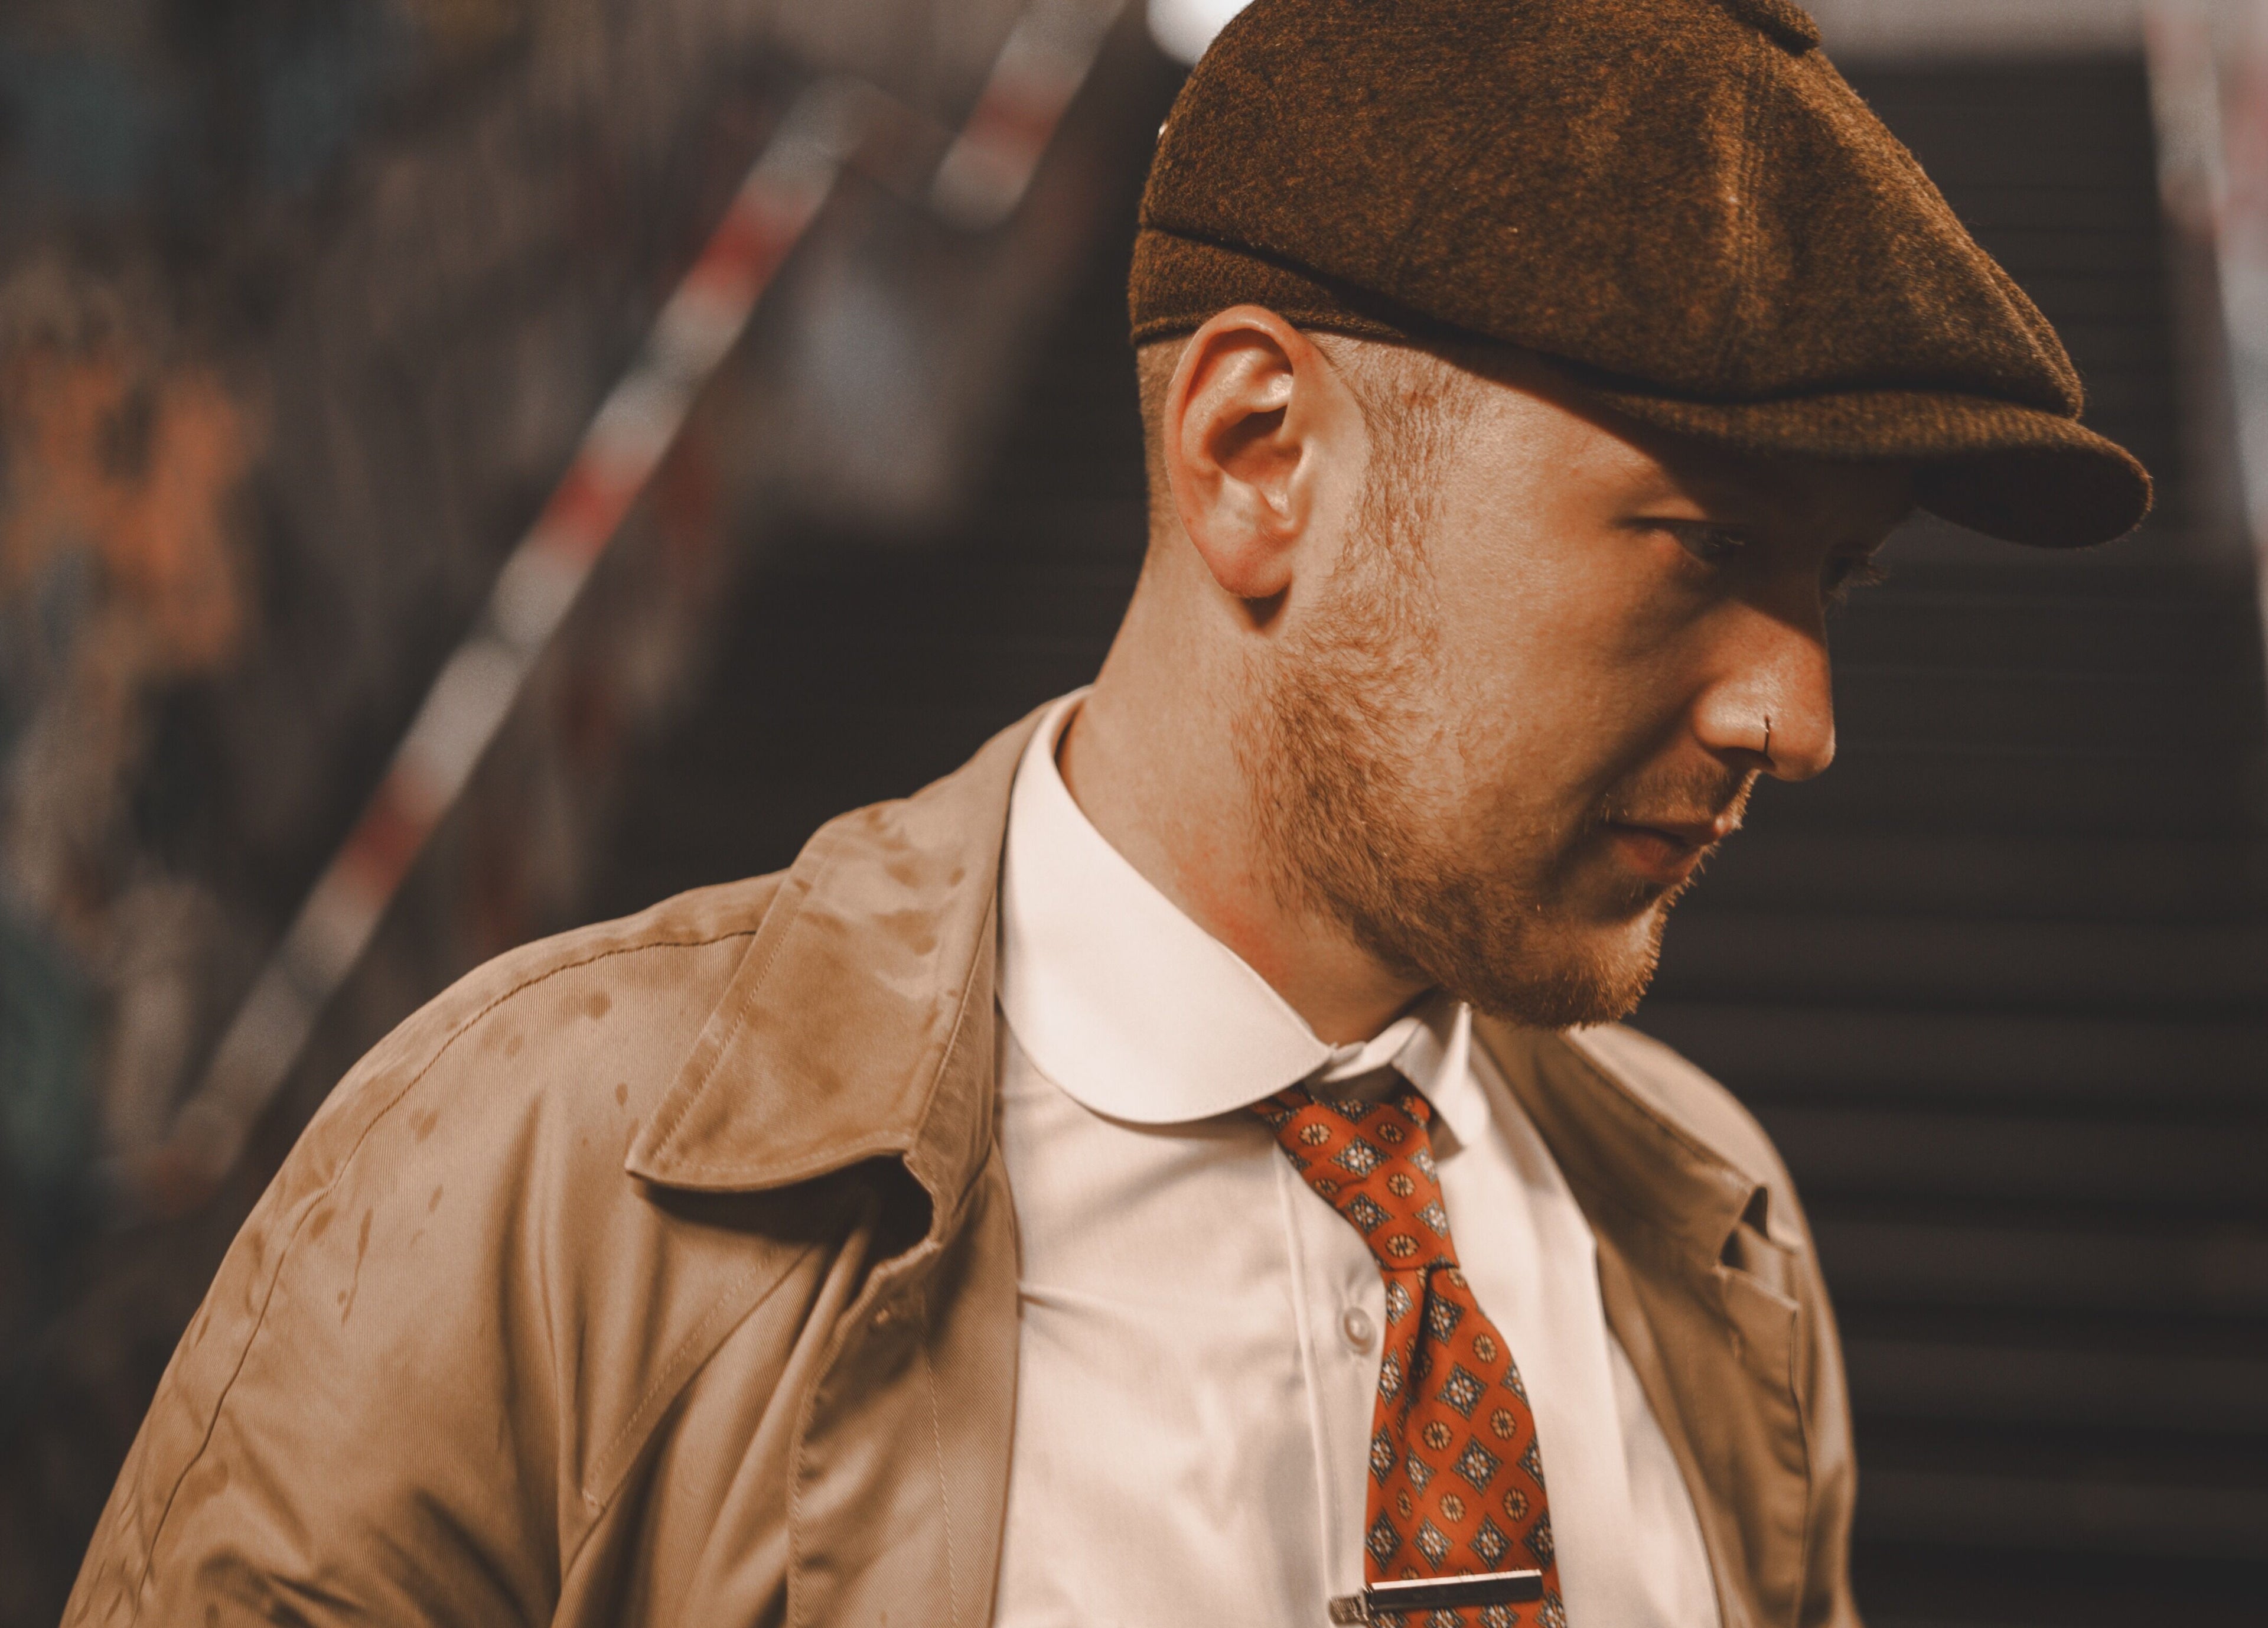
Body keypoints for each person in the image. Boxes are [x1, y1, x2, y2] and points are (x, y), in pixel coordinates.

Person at [66, 0, 2149, 1624]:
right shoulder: (535, 1185)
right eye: (1698, 543)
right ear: (1259, 453)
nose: (1799, 709)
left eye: (1836, 587)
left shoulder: (1717, 1237)